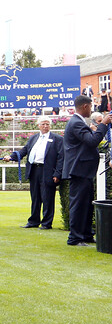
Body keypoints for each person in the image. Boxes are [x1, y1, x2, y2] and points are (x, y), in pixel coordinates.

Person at [63, 96, 111, 246]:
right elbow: (92, 141)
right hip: (79, 170)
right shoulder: (76, 123)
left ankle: (86, 234)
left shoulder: (78, 122)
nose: (92, 110)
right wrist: (103, 124)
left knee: (86, 204)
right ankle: (75, 237)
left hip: (83, 170)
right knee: (78, 204)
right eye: (91, 107)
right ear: (84, 106)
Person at [3, 116, 63, 229]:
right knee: (35, 197)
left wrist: (57, 174)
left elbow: (61, 158)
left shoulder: (57, 139)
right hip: (34, 170)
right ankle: (33, 221)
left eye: (47, 124)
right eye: (43, 124)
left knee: (47, 198)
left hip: (48, 171)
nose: (45, 126)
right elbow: (23, 151)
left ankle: (46, 223)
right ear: (38, 125)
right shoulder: (33, 138)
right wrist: (11, 157)